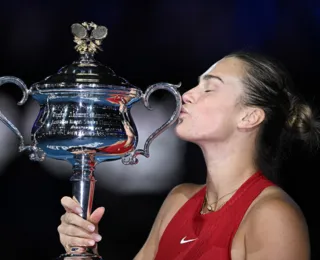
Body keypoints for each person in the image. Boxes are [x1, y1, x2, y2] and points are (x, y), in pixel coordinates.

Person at [58, 51, 316, 259]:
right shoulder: (178, 200)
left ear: (249, 116)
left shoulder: (272, 215)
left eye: (209, 89)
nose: (186, 95)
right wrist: (83, 250)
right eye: (196, 85)